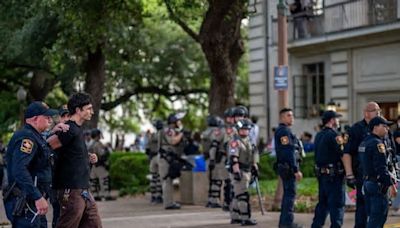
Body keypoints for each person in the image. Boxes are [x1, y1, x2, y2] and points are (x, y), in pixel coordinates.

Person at [47, 92, 102, 227]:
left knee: (94, 224)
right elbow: (46, 147)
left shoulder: (77, 129)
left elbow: (69, 153)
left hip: (83, 188)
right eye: (89, 108)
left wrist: (86, 157)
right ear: (78, 110)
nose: (92, 112)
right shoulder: (69, 129)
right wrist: (51, 132)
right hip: (71, 190)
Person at [3, 101, 58, 227]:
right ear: (35, 119)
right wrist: (37, 197)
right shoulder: (27, 138)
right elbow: (19, 170)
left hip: (31, 200)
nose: (50, 120)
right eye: (47, 117)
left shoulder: (35, 136)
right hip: (26, 202)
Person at [342, 102, 381, 228]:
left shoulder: (382, 126)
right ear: (366, 113)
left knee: (379, 210)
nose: (379, 112)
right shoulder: (356, 129)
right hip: (363, 176)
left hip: (381, 175)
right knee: (363, 210)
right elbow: (347, 153)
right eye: (376, 110)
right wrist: (349, 175)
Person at [359, 116, 397, 227]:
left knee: (372, 217)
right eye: (384, 126)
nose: (387, 129)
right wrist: (391, 185)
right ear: (375, 127)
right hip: (377, 185)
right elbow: (381, 168)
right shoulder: (378, 144)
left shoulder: (364, 142)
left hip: (367, 183)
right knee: (378, 219)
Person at [311, 111, 345, 228]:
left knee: (323, 204)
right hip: (334, 176)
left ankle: (316, 225)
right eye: (337, 118)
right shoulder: (334, 135)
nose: (338, 121)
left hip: (322, 175)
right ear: (331, 120)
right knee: (337, 205)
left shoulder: (319, 135)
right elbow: (343, 154)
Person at [275, 108, 303, 228]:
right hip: (288, 169)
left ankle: (284, 222)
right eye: (288, 116)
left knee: (288, 194)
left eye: (292, 116)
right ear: (282, 118)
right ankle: (287, 222)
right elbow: (288, 151)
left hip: (286, 167)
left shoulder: (283, 131)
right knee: (290, 195)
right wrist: (296, 170)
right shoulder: (284, 132)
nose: (292, 118)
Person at [228, 119, 259, 226]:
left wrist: (255, 167)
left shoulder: (249, 141)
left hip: (247, 170)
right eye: (243, 129)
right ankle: (245, 218)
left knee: (238, 194)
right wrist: (236, 172)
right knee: (242, 195)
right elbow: (234, 158)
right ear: (238, 130)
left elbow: (253, 155)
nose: (245, 131)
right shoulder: (235, 142)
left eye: (247, 129)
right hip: (239, 170)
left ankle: (235, 217)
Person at [158, 113, 185, 209]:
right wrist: (181, 134)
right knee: (167, 180)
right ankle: (168, 204)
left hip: (167, 158)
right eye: (178, 121)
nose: (180, 122)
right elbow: (173, 141)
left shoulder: (168, 130)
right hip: (165, 158)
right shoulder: (169, 130)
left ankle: (169, 202)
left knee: (168, 180)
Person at [202, 115, 226, 208]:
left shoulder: (205, 132)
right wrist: (213, 159)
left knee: (211, 180)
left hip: (207, 157)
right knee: (217, 180)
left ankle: (210, 199)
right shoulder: (216, 132)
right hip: (215, 158)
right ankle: (214, 200)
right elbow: (214, 145)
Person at [89, 128, 113, 201]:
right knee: (104, 179)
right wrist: (107, 149)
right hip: (99, 164)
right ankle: (105, 195)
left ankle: (95, 195)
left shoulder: (90, 143)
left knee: (94, 180)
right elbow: (102, 154)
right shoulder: (98, 144)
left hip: (92, 165)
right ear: (97, 135)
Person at [146, 120, 163, 204]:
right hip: (159, 156)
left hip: (152, 157)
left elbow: (147, 148)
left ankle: (153, 196)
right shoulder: (161, 134)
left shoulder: (152, 136)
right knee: (159, 178)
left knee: (153, 178)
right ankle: (158, 196)